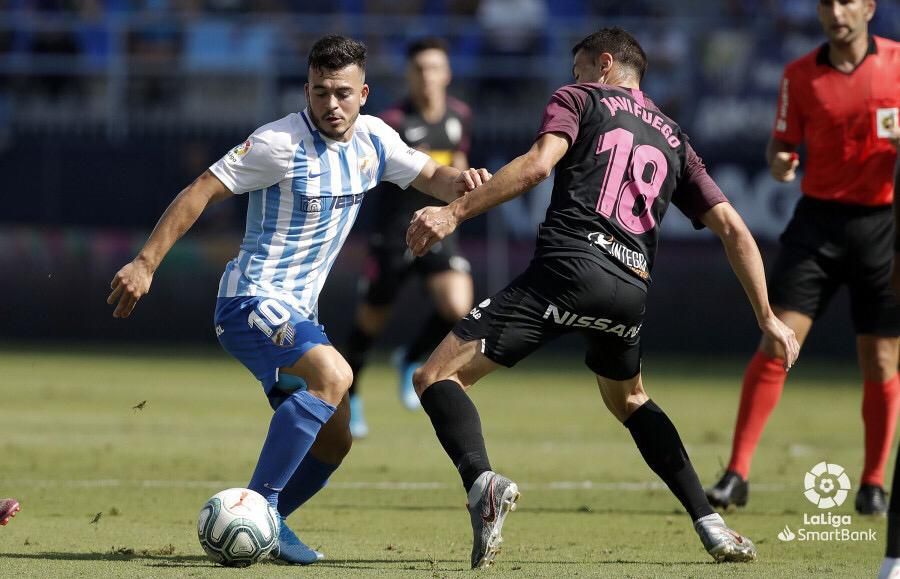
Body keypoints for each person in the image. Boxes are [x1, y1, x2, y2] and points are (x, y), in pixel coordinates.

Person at [405, 27, 800, 568]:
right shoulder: (676, 138)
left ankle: (482, 484)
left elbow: (540, 164)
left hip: (568, 268)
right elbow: (733, 228)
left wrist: (454, 212)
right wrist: (767, 316)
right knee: (631, 399)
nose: (573, 79)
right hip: (630, 291)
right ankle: (711, 525)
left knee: (434, 377)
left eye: (580, 68)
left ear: (606, 64)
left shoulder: (580, 99)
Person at [107, 34, 490, 565]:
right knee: (336, 376)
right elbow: (201, 189)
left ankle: (273, 524)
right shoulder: (277, 144)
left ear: (364, 92)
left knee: (335, 443)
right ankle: (258, 506)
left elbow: (432, 176)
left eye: (341, 93)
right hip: (249, 302)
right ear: (306, 90)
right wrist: (145, 263)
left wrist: (466, 182)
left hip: (297, 315)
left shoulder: (375, 140)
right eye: (319, 92)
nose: (330, 105)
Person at [707, 0, 900, 516]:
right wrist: (780, 163)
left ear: (870, 8)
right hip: (817, 225)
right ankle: (736, 473)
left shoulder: (898, 64)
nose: (836, 11)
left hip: (880, 226)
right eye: (827, 2)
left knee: (881, 357)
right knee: (778, 342)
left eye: (847, 1)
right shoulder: (800, 75)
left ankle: (874, 483)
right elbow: (780, 147)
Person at [341, 37, 475, 438]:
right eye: (419, 69)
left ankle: (411, 358)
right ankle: (351, 397)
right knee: (370, 322)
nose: (427, 76)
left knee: (458, 304)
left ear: (447, 73)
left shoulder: (460, 116)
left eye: (435, 68)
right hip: (394, 232)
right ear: (409, 75)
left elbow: (460, 163)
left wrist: (459, 209)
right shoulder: (392, 121)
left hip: (438, 226)